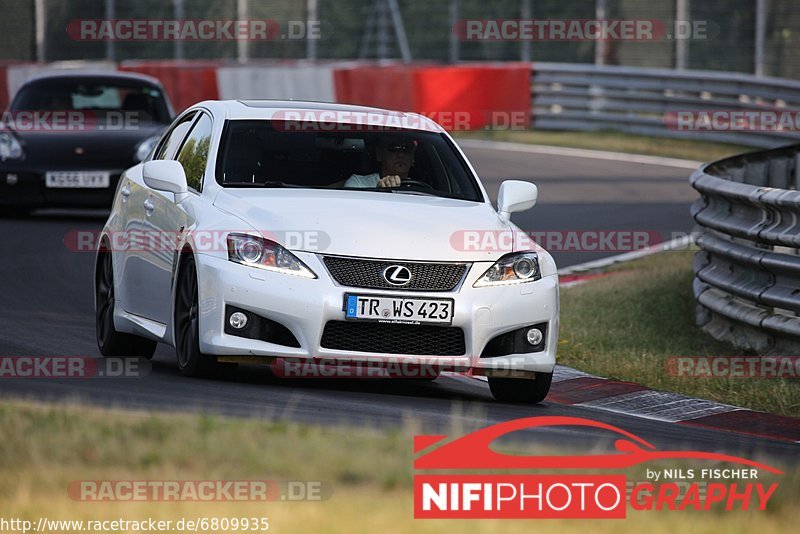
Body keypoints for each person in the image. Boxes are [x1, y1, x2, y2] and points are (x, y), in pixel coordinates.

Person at [344, 137, 416, 188]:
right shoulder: (359, 184)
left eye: (408, 149)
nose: (401, 155)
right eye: (394, 148)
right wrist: (379, 191)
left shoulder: (423, 190)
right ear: (379, 154)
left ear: (413, 157)